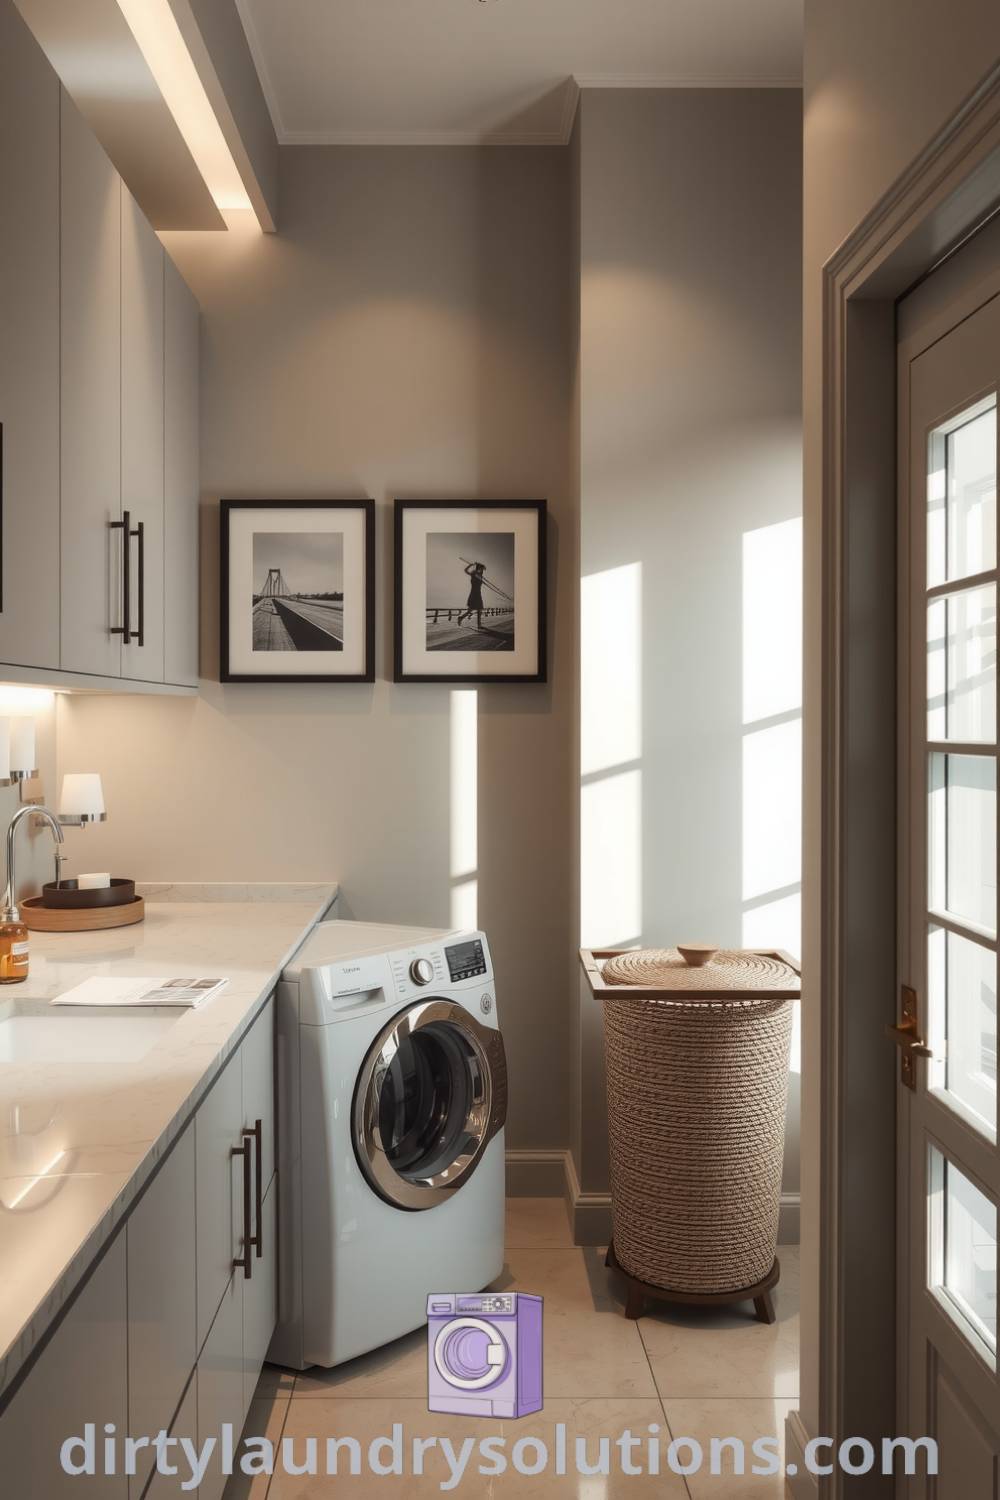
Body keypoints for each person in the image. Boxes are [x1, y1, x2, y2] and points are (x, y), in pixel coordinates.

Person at [460, 561, 486, 630]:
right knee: (471, 610)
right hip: (474, 594)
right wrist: (470, 565)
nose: (482, 570)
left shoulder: (480, 575)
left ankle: (479, 625)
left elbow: (480, 579)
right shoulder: (474, 574)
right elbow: (465, 570)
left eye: (482, 569)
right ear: (478, 568)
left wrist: (482, 581)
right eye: (481, 568)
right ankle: (461, 618)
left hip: (478, 594)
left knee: (479, 610)